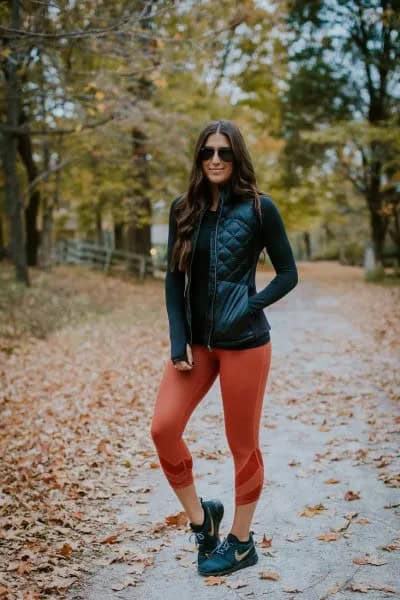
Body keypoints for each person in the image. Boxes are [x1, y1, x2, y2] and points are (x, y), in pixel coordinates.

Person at [150, 119, 298, 576]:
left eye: (224, 152)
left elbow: (288, 273)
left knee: (242, 445)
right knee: (163, 427)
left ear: (237, 158)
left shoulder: (259, 209)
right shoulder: (183, 209)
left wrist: (249, 306)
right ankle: (202, 520)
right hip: (196, 343)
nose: (215, 159)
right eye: (208, 152)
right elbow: (175, 279)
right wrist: (179, 341)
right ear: (199, 158)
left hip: (245, 344)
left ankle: (240, 541)